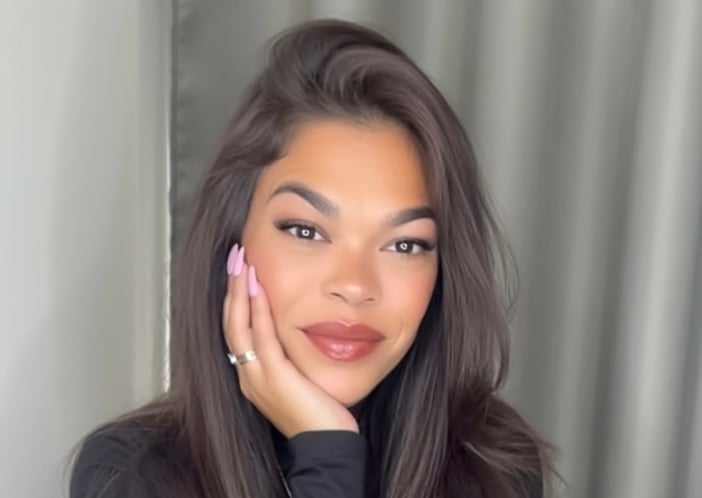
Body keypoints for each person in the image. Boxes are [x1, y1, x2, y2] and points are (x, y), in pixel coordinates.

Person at [69, 18, 555, 498]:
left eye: (405, 245)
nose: (354, 285)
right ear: (232, 241)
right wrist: (326, 454)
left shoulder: (495, 471)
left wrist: (325, 450)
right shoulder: (131, 475)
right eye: (307, 231)